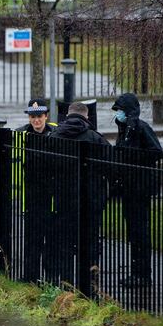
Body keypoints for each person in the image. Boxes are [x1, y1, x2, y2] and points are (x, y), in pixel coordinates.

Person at [47, 102, 110, 285]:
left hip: (63, 199)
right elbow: (111, 166)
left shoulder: (55, 137)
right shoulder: (95, 138)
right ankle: (89, 280)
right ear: (87, 116)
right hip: (90, 200)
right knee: (90, 240)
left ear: (67, 115)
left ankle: (66, 281)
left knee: (65, 241)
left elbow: (45, 167)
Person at [112, 92, 162, 289]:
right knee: (134, 233)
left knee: (140, 232)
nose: (119, 114)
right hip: (129, 188)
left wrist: (132, 157)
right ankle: (136, 273)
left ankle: (143, 274)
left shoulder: (140, 128)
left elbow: (156, 152)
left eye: (121, 110)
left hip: (140, 188)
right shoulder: (125, 129)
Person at [15, 99, 56, 282]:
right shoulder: (21, 135)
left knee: (52, 241)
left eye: (39, 116)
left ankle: (51, 277)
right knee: (32, 240)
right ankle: (30, 278)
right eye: (33, 117)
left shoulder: (56, 134)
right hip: (31, 196)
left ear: (46, 116)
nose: (36, 121)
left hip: (52, 196)